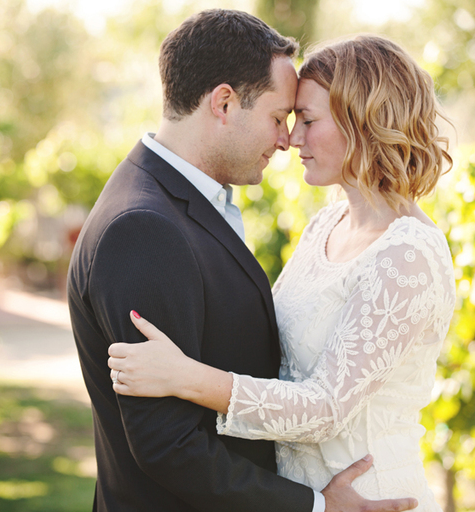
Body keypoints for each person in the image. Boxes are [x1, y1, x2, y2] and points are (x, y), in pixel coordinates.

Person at [68, 9, 418, 512]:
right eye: (279, 118)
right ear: (225, 103)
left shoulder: (180, 205)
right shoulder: (143, 228)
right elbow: (169, 446)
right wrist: (315, 507)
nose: (286, 140)